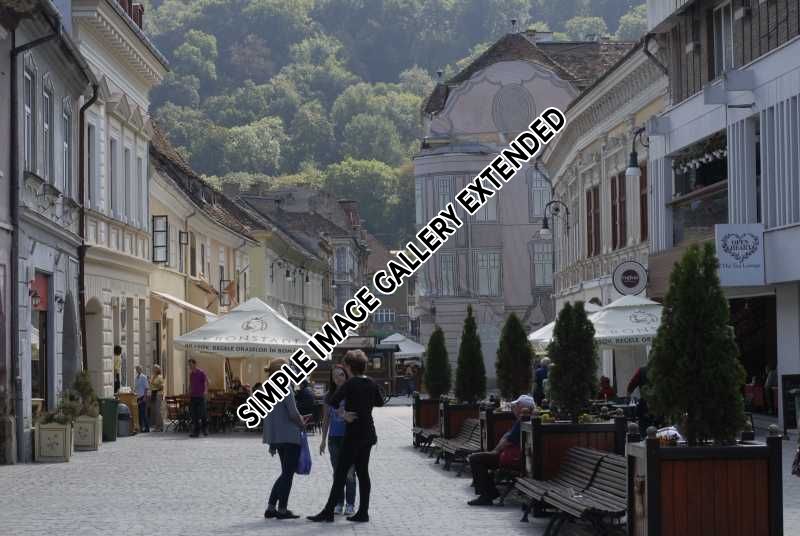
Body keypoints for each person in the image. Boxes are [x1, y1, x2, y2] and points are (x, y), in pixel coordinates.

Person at [308, 350, 385, 523]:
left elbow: (332, 401)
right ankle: (363, 512)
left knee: (340, 473)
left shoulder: (350, 384)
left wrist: (344, 414)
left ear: (349, 366)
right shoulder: (371, 382)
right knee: (363, 473)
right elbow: (380, 402)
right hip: (368, 433)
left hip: (353, 435)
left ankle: (328, 512)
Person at [467, 395, 535, 506]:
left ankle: (487, 495)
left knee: (475, 459)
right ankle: (489, 493)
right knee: (479, 459)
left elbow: (508, 440)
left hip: (512, 459)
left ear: (524, 407)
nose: (514, 408)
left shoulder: (523, 421)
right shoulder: (525, 420)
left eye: (517, 405)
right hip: (516, 458)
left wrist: (495, 451)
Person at [262, 358, 306, 520]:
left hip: (277, 438)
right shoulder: (285, 387)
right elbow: (293, 413)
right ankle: (282, 509)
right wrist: (302, 423)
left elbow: (269, 417)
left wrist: (272, 442)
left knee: (285, 473)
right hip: (290, 436)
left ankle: (271, 507)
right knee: (287, 474)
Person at [319, 364, 357, 515]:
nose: (338, 378)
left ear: (346, 376)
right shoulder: (328, 396)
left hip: (349, 438)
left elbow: (356, 417)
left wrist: (344, 415)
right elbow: (325, 420)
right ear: (332, 379)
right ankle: (339, 503)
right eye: (335, 376)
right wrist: (323, 440)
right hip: (333, 439)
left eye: (341, 374)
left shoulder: (352, 395)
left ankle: (350, 504)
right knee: (337, 473)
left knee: (350, 473)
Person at [188, 358, 208, 437]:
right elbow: (191, 384)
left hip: (201, 396)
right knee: (194, 415)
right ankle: (196, 432)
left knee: (203, 414)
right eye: (189, 365)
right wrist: (189, 391)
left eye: (191, 364)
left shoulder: (201, 372)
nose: (190, 366)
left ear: (194, 364)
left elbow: (206, 382)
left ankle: (204, 429)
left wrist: (205, 391)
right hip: (193, 396)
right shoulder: (191, 374)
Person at [134, 366, 150, 433]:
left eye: (139, 369)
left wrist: (145, 397)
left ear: (141, 370)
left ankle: (147, 428)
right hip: (138, 397)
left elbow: (146, 387)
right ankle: (141, 428)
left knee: (143, 413)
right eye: (137, 369)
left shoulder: (143, 377)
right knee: (139, 413)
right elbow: (136, 387)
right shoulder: (136, 378)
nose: (137, 370)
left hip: (143, 396)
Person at [149, 365, 165, 432]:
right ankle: (156, 426)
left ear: (158, 370)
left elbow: (162, 386)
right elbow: (151, 385)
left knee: (158, 410)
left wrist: (155, 385)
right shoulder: (153, 376)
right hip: (153, 393)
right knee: (154, 410)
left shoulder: (160, 377)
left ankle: (160, 426)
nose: (154, 369)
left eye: (155, 368)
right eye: (154, 368)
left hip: (158, 393)